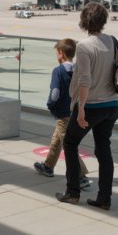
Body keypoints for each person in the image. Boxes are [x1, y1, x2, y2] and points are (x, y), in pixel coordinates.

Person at [56, 2, 118, 210]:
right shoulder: (112, 41)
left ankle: (72, 192)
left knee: (70, 143)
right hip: (112, 104)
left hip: (91, 105)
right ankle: (105, 198)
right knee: (104, 150)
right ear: (103, 21)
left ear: (84, 21)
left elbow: (84, 80)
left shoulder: (84, 46)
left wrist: (81, 108)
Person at [33, 38, 91, 189]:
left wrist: (50, 105)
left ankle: (81, 176)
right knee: (57, 139)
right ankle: (48, 165)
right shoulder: (78, 69)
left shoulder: (58, 71)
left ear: (61, 53)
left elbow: (55, 93)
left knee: (68, 145)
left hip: (62, 113)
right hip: (74, 111)